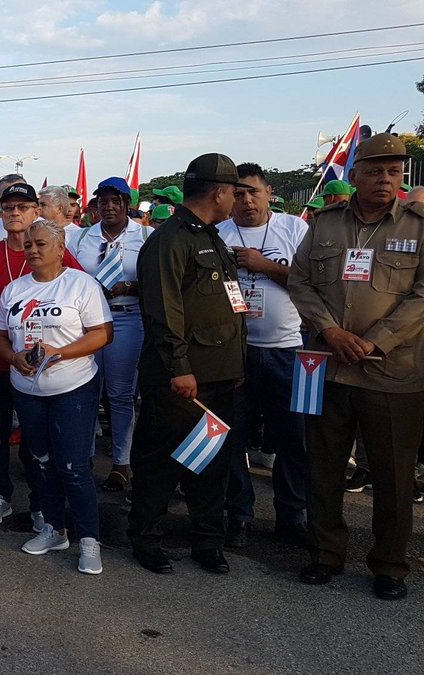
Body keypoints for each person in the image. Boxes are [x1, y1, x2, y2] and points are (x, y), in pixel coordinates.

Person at [288, 134, 424, 601]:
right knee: (323, 466)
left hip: (393, 371)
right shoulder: (325, 224)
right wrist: (331, 332)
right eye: (375, 171)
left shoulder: (419, 224)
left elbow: (422, 296)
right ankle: (325, 554)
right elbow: (301, 281)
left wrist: (373, 341)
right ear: (355, 175)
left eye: (394, 171)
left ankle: (389, 564)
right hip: (325, 365)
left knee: (392, 474)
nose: (385, 179)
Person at [129, 153, 248, 575]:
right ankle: (146, 538)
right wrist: (180, 368)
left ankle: (208, 542)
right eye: (234, 190)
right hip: (180, 377)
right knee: (160, 462)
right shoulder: (170, 240)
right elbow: (163, 311)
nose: (236, 198)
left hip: (218, 375)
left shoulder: (213, 238)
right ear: (218, 192)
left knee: (211, 463)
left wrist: (236, 366)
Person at [0, 219, 112, 574]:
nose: (32, 250)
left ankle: (89, 540)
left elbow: (103, 333)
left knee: (73, 466)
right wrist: (13, 357)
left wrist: (61, 353)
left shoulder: (80, 284)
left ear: (61, 249)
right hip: (27, 390)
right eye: (29, 245)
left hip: (72, 388)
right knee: (40, 462)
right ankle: (54, 529)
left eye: (41, 244)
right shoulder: (14, 290)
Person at [0, 182, 82, 529]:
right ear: (0, 214)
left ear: (36, 211)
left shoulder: (55, 253)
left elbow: (81, 297)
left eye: (23, 207)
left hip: (42, 369)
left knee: (36, 439)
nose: (15, 213)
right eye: (8, 208)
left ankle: (40, 502)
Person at [216, 163, 310, 548]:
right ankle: (239, 514)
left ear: (269, 191)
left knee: (294, 438)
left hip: (290, 351)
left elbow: (313, 283)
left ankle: (292, 516)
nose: (246, 200)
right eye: (237, 193)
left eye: (253, 191)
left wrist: (264, 266)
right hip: (234, 354)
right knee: (232, 437)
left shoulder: (294, 229)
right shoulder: (219, 233)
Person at [67, 177, 153, 492]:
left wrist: (129, 287)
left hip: (127, 318)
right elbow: (69, 276)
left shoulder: (145, 236)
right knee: (85, 390)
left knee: (120, 395)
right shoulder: (82, 238)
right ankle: (83, 458)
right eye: (103, 201)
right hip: (87, 322)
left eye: (116, 200)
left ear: (127, 204)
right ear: (96, 206)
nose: (110, 206)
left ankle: (121, 463)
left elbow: (159, 283)